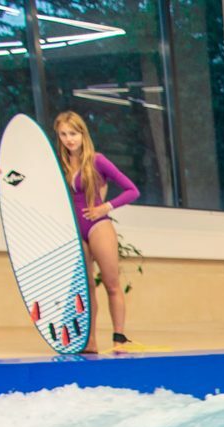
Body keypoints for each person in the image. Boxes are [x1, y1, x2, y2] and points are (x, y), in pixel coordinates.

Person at [53, 111, 139, 352]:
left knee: (112, 284)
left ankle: (119, 338)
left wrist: (105, 207)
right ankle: (88, 340)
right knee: (86, 287)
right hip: (74, 230)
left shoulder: (97, 160)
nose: (69, 139)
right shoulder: (59, 164)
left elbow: (131, 190)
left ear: (83, 134)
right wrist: (3, 175)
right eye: (64, 134)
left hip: (98, 225)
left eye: (73, 133)